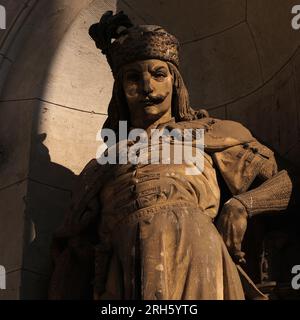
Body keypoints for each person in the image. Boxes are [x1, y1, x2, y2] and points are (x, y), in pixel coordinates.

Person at [48, 11, 293, 300]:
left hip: (195, 250)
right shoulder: (102, 164)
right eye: (133, 78)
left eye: (158, 74)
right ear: (121, 90)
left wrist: (242, 205)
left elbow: (286, 183)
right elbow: (73, 252)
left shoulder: (208, 133)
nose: (147, 87)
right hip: (122, 266)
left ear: (174, 82)